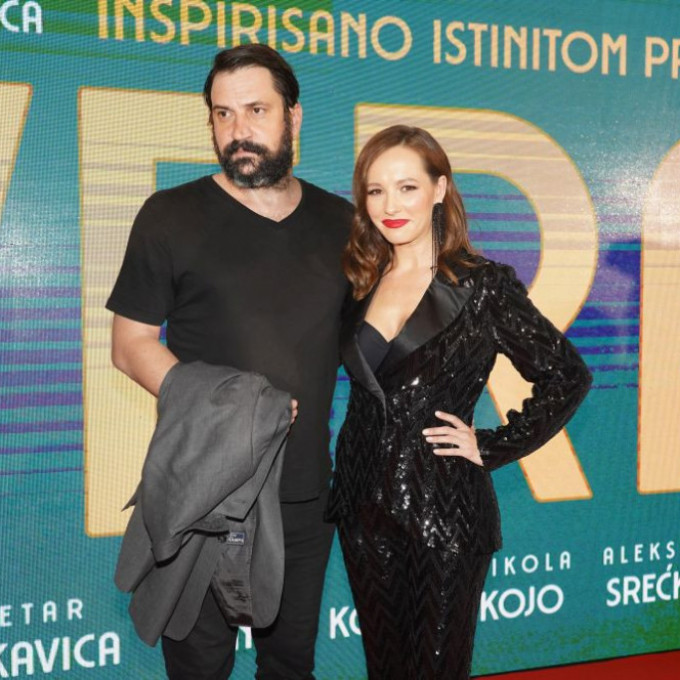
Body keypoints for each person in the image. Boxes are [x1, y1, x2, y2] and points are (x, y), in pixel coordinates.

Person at [106, 44, 353, 679]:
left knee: (290, 665)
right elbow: (130, 344)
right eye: (223, 114)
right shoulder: (169, 216)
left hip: (303, 495)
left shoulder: (343, 224)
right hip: (201, 491)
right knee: (198, 668)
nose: (238, 130)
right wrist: (234, 406)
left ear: (294, 117)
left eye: (256, 110)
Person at [326, 125, 592, 679]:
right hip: (362, 506)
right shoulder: (358, 282)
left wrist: (490, 445)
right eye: (376, 190)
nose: (390, 206)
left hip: (444, 509)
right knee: (385, 670)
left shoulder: (482, 286)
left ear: (440, 188)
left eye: (407, 187)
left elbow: (566, 375)